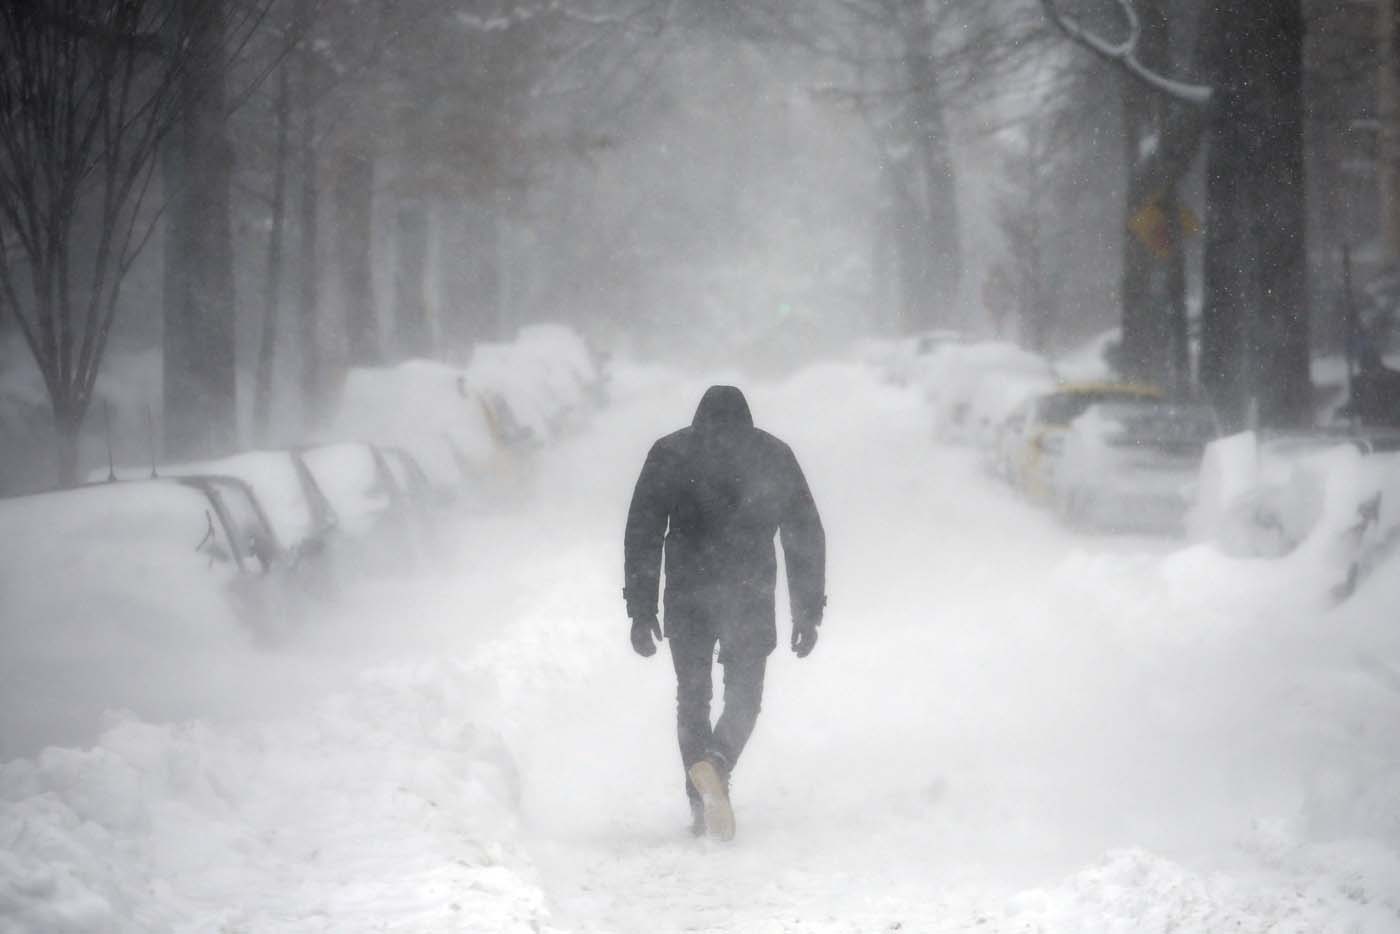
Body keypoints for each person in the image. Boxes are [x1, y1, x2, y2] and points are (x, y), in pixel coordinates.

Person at [623, 385, 826, 841]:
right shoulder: (773, 455)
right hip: (749, 591)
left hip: (687, 592)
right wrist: (807, 610)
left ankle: (700, 802)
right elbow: (803, 533)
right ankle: (717, 762)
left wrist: (641, 609)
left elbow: (643, 533)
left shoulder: (671, 453)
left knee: (692, 698)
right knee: (745, 699)